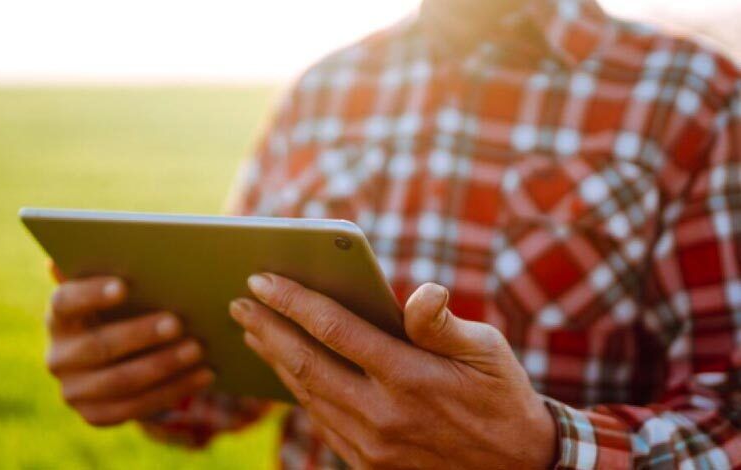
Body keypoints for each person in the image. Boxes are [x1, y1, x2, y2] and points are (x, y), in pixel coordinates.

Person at [42, 0, 741, 468]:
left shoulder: (698, 98)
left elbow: (730, 416)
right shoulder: (323, 90)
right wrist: (143, 369)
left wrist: (545, 447)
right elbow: (241, 372)